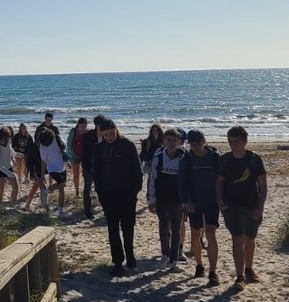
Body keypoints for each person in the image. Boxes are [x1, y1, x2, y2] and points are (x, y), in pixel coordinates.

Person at [216, 125, 268, 290]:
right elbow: (219, 182)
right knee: (237, 239)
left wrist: (260, 207)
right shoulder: (224, 159)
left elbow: (263, 185)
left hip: (252, 204)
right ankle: (239, 276)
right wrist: (220, 200)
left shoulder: (254, 159)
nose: (233, 144)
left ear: (244, 141)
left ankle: (249, 269)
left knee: (250, 239)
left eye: (236, 141)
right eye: (230, 141)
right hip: (232, 205)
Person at [88, 119, 143, 273]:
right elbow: (96, 172)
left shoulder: (127, 145)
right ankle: (117, 261)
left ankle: (130, 256)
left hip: (127, 194)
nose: (109, 137)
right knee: (112, 228)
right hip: (108, 195)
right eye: (106, 135)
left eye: (111, 133)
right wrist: (99, 192)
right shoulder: (98, 148)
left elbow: (137, 169)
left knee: (127, 226)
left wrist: (135, 190)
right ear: (101, 134)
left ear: (116, 130)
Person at [179, 129, 221, 286]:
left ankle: (213, 271)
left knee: (210, 233)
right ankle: (199, 265)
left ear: (204, 141)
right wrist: (187, 201)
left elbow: (221, 180)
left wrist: (221, 199)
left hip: (212, 201)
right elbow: (182, 183)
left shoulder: (215, 157)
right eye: (192, 144)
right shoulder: (186, 159)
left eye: (197, 144)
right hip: (194, 202)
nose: (195, 147)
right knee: (196, 233)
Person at [147, 128, 186, 264]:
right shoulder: (158, 158)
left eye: (174, 140)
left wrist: (186, 201)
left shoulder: (183, 159)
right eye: (168, 140)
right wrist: (151, 200)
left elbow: (187, 181)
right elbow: (152, 180)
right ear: (164, 141)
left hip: (178, 199)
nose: (171, 143)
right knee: (164, 227)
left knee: (176, 229)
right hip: (162, 199)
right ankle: (165, 254)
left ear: (179, 142)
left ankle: (174, 259)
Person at [80, 117, 103, 218]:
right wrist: (85, 167)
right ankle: (87, 210)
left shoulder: (106, 135)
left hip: (102, 166)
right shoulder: (89, 135)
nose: (100, 127)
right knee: (87, 188)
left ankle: (105, 207)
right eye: (98, 124)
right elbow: (84, 153)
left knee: (102, 187)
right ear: (96, 124)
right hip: (89, 165)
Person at [0, 127, 19, 202]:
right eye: (4, 139)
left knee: (16, 187)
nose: (6, 140)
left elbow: (10, 151)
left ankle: (12, 204)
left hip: (8, 166)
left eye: (7, 138)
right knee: (1, 189)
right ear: (0, 138)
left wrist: (17, 154)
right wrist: (9, 174)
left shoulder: (9, 141)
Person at [68, 117, 89, 199]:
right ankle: (77, 192)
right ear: (78, 125)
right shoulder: (73, 131)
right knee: (76, 174)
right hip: (74, 156)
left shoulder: (87, 133)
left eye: (85, 126)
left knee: (86, 173)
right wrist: (73, 155)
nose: (83, 128)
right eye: (82, 126)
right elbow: (69, 145)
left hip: (83, 155)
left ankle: (86, 190)